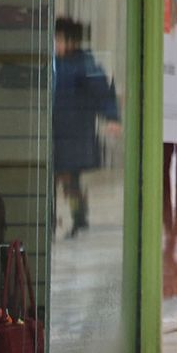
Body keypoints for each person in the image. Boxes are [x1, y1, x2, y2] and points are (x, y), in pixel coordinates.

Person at [52, 18, 119, 238]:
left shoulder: (83, 64)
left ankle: (79, 218)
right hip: (55, 132)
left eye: (59, 39)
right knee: (51, 180)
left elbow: (102, 91)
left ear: (72, 41)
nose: (56, 44)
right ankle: (48, 221)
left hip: (75, 134)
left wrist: (111, 117)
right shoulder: (52, 63)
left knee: (69, 179)